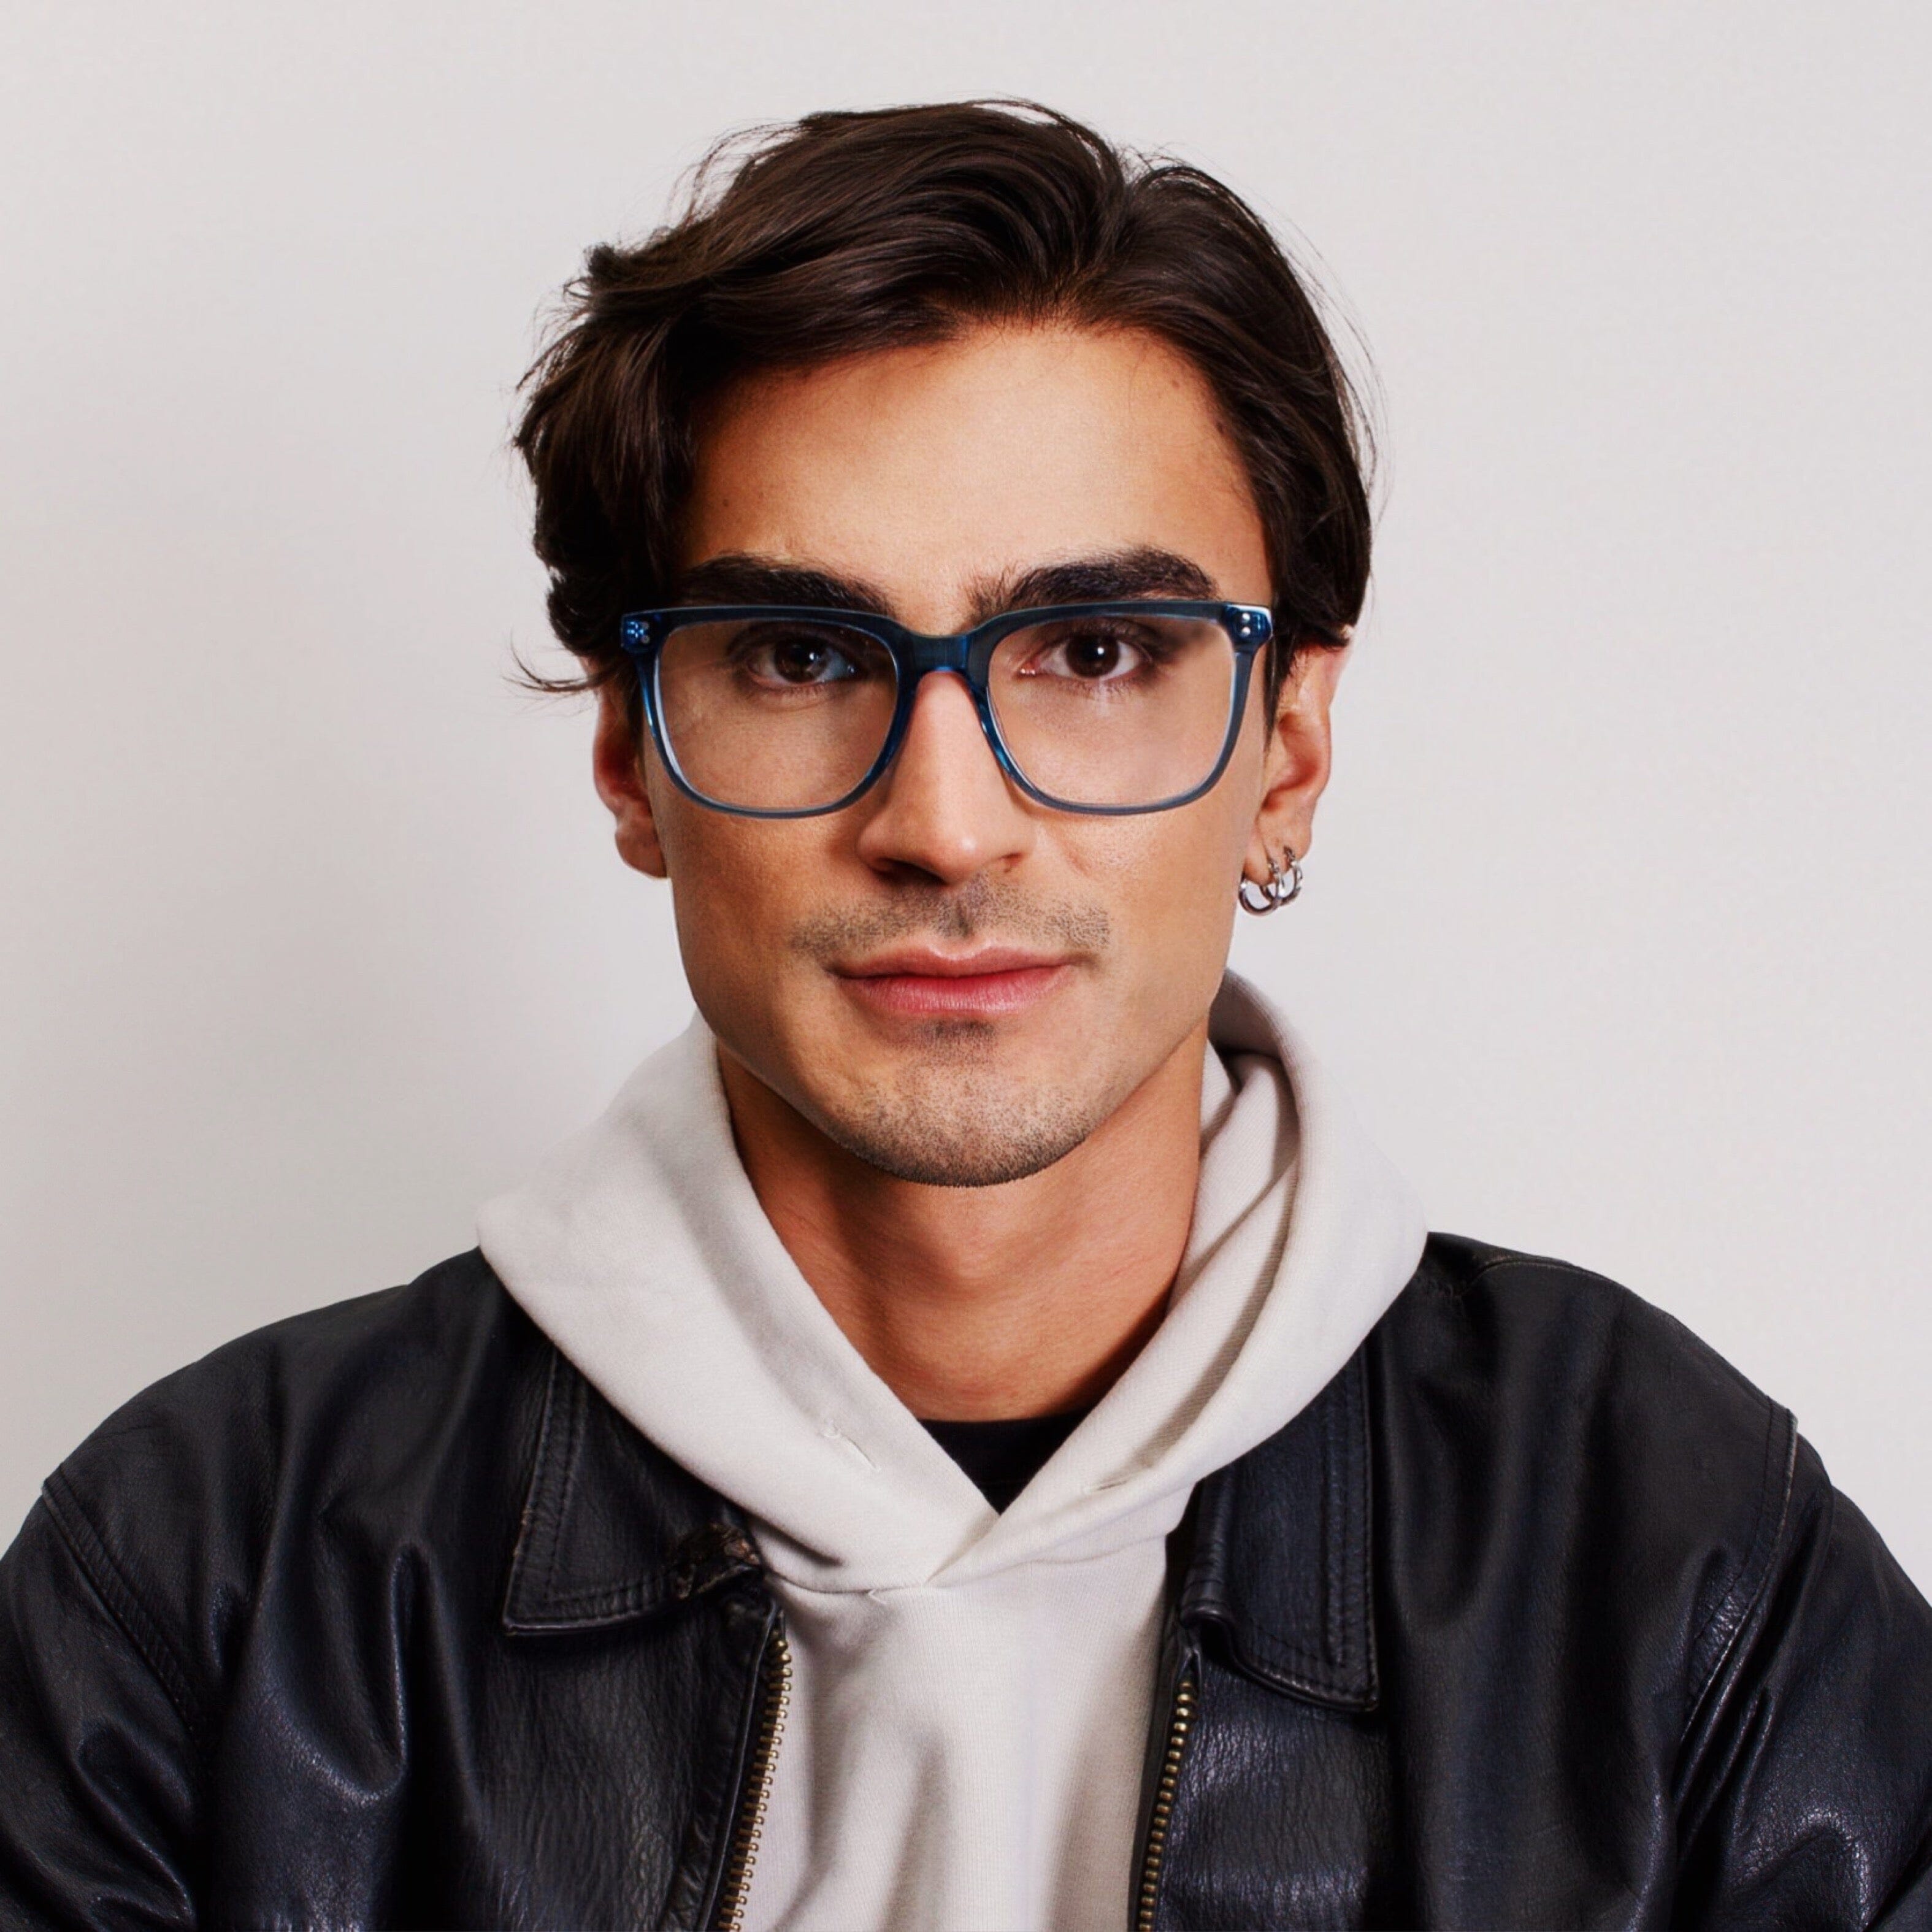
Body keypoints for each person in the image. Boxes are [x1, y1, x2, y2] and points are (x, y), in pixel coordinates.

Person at [1, 99, 1927, 1932]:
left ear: (1289, 751)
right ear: (630, 757)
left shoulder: (1679, 1563)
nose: (944, 821)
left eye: (1095, 651)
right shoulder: (202, 1578)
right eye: (801, 655)